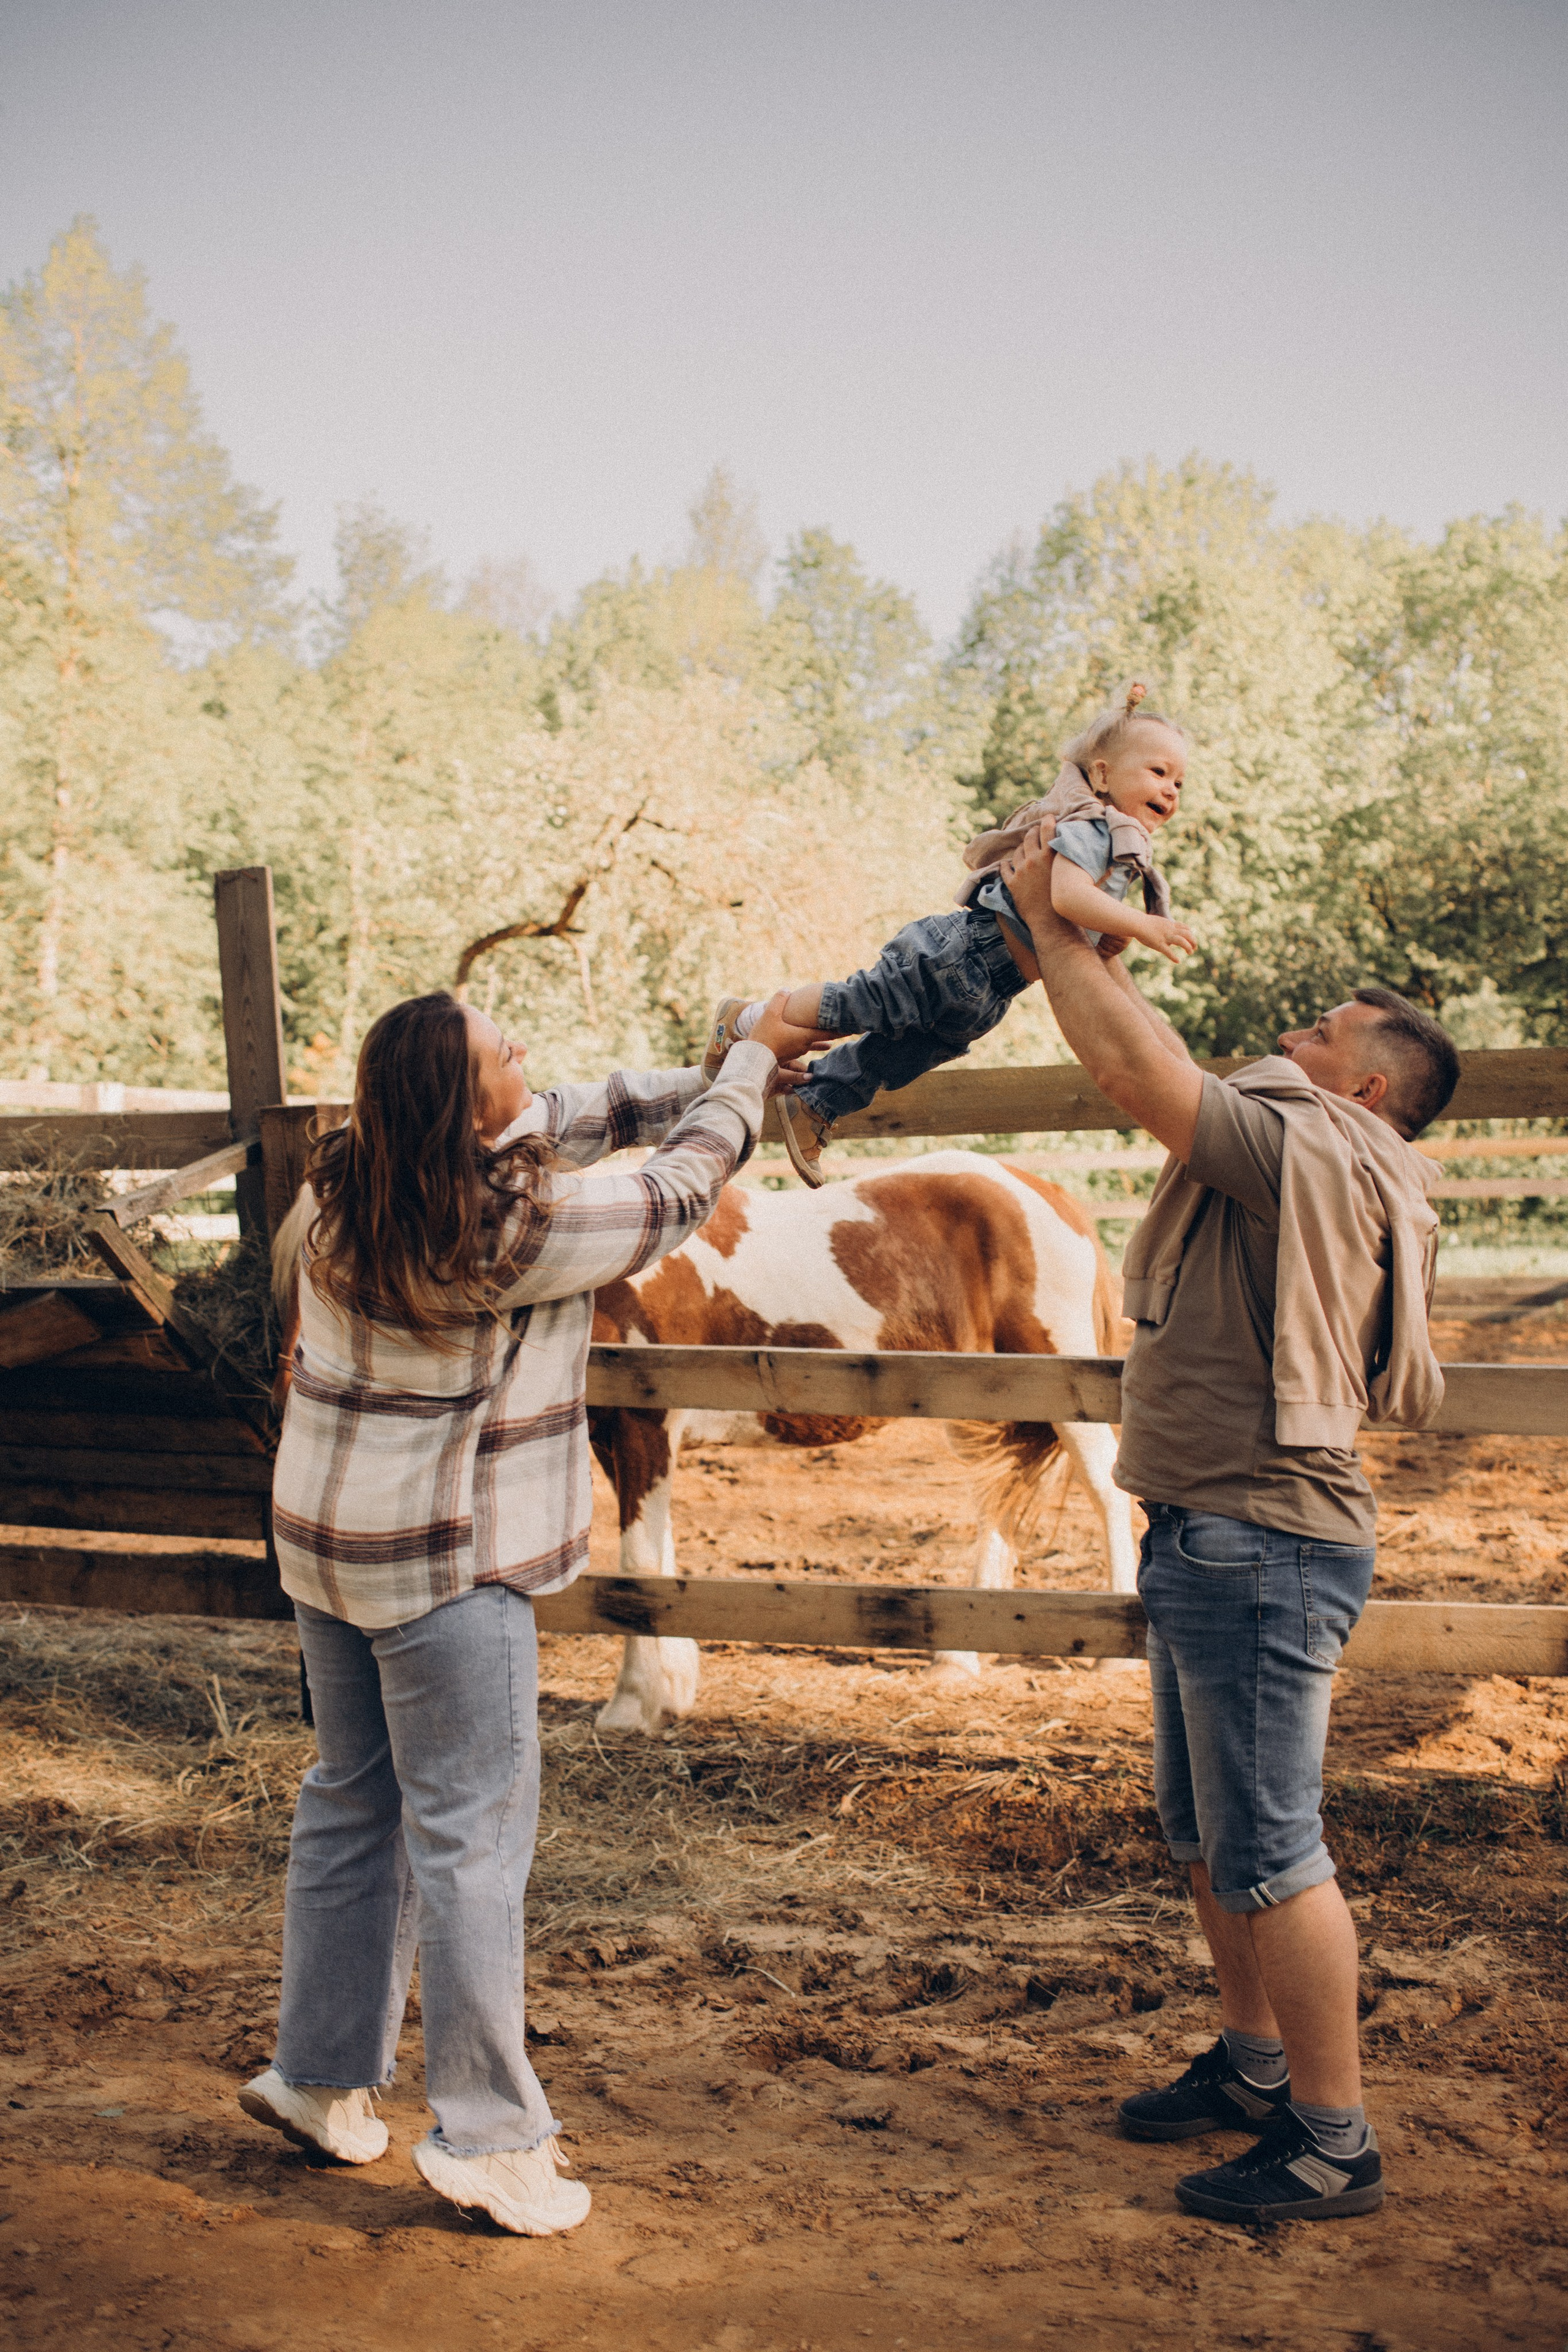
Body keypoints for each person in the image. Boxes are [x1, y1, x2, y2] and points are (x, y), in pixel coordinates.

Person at [239, 987, 818, 2236]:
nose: (526, 1056)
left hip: (328, 1550)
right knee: (471, 1844)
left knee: (352, 1803)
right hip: (444, 1569)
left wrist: (724, 1064)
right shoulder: (501, 1229)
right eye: (504, 1052)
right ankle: (491, 2139)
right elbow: (677, 1193)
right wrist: (744, 1081)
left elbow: (570, 1110)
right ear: (464, 1112)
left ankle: (318, 2077)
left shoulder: (349, 1176)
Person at [1000, 823, 1458, 2225]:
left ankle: (1330, 2140)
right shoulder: (1302, 1148)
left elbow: (1133, 1071)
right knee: (1205, 1830)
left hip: (1261, 1543)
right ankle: (1258, 2066)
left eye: (1317, 1033)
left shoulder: (1308, 1147)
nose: (1286, 1035)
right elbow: (1154, 1057)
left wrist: (1048, 928)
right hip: (1214, 1535)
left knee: (1270, 1849)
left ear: (1360, 1086)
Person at [701, 682, 1196, 1184]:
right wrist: (1143, 924)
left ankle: (816, 1102)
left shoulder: (1119, 848)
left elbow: (1072, 919)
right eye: (1158, 772)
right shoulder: (1092, 828)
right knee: (860, 1003)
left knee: (903, 1055)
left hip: (997, 988)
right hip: (965, 954)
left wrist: (1106, 939)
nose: (1172, 789)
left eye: (1180, 781)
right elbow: (1067, 896)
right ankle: (746, 1020)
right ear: (1103, 775)